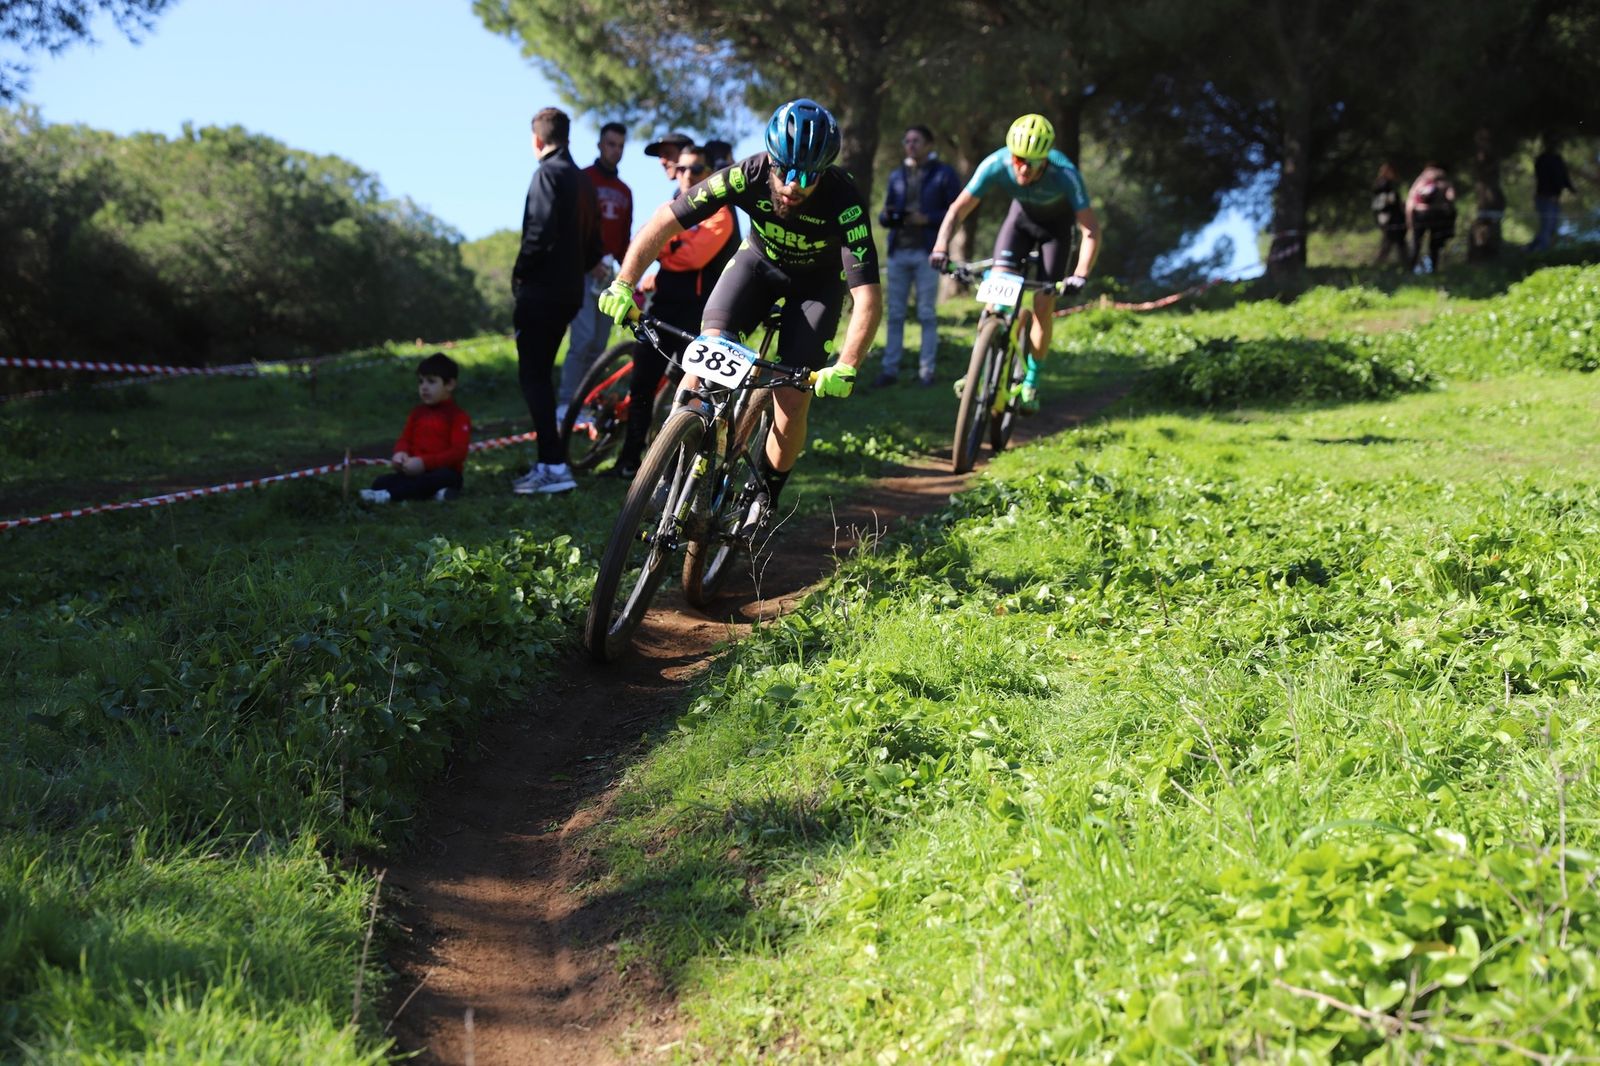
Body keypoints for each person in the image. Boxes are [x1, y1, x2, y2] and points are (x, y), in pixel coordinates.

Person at [597, 98, 883, 520]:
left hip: (816, 288)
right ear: (771, 160)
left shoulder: (845, 200)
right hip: (758, 266)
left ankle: (765, 495)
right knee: (705, 357)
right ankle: (671, 463)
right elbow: (664, 221)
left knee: (790, 398)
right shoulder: (746, 173)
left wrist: (849, 363)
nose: (794, 185)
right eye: (786, 170)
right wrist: (625, 282)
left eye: (809, 175)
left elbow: (868, 296)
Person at [929, 113, 1101, 414]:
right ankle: (979, 370)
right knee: (996, 297)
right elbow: (958, 210)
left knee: (1043, 305)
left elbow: (1090, 230)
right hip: (1019, 224)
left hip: (1055, 233)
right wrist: (941, 247)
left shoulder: (1065, 174)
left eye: (1030, 163)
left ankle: (1032, 379)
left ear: (1045, 161)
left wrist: (1080, 274)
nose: (1021, 168)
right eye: (1017, 159)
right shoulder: (997, 163)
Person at [616, 145, 739, 477]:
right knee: (641, 386)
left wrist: (664, 246)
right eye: (682, 169)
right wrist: (668, 246)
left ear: (709, 174)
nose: (687, 175)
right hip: (661, 307)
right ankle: (628, 462)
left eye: (696, 169)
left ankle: (675, 471)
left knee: (690, 393)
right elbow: (645, 239)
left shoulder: (720, 212)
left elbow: (692, 257)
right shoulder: (670, 207)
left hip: (695, 315)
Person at [510, 106, 600, 496]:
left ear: (537, 139)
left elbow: (538, 232)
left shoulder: (547, 173)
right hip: (570, 293)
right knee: (542, 375)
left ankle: (552, 463)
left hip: (542, 290)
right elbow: (595, 245)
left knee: (534, 375)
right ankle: (553, 459)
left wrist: (521, 271)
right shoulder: (583, 181)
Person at [557, 121, 632, 420]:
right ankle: (565, 404)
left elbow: (625, 240)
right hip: (582, 269)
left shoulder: (625, 191)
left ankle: (585, 404)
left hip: (609, 273)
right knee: (583, 338)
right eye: (610, 144)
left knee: (600, 344)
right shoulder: (583, 179)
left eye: (620, 146)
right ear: (599, 145)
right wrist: (590, 260)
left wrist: (628, 274)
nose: (615, 150)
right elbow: (573, 227)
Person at [876, 124, 961, 386]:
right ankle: (889, 370)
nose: (910, 145)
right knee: (895, 314)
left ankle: (927, 372)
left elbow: (956, 212)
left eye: (916, 141)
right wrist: (889, 217)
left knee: (926, 314)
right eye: (907, 141)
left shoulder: (944, 174)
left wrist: (928, 219)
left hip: (927, 252)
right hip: (898, 252)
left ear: (929, 145)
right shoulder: (896, 176)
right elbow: (884, 213)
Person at [359, 353, 472, 504]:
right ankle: (437, 495)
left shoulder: (458, 416)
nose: (424, 387)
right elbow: (405, 438)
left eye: (431, 382)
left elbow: (458, 453)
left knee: (438, 478)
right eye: (421, 382)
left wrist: (425, 463)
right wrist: (401, 454)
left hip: (446, 473)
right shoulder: (417, 413)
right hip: (415, 471)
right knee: (380, 482)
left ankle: (389, 496)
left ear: (449, 384)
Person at [1406, 163, 1457, 273]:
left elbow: (1410, 203)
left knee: (1416, 243)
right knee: (1434, 245)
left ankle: (1410, 269)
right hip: (1436, 216)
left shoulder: (1419, 182)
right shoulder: (1443, 183)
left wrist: (1409, 220)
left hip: (1419, 215)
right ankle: (1433, 269)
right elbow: (1451, 197)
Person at [1529, 136, 1578, 252]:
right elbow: (1548, 178)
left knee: (1550, 227)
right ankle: (1540, 253)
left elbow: (1563, 177)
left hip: (1553, 198)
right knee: (1547, 227)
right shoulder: (1542, 160)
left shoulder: (1557, 159)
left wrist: (1571, 189)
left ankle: (1531, 249)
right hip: (1544, 198)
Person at [1371, 163, 1407, 266]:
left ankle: (1404, 264)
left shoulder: (1384, 184)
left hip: (1391, 217)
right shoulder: (1383, 184)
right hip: (1390, 218)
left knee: (1393, 242)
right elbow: (1385, 201)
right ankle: (1403, 264)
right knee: (1391, 241)